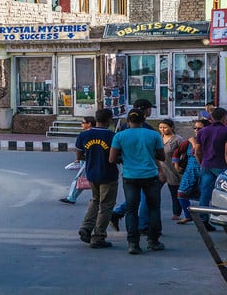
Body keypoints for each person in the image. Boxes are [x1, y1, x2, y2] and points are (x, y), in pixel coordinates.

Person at [109, 108, 165, 254]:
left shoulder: (119, 136)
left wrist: (125, 159)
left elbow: (112, 159)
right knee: (153, 208)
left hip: (130, 176)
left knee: (131, 210)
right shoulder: (153, 135)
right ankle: (153, 241)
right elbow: (161, 156)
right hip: (151, 176)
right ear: (143, 120)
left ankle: (133, 244)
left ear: (128, 122)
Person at [111, 99, 156, 232]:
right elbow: (158, 153)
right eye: (149, 108)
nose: (150, 111)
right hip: (146, 168)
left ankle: (118, 213)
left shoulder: (124, 128)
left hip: (129, 169)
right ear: (145, 110)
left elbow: (114, 155)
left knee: (135, 198)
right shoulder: (148, 130)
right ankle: (143, 225)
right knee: (145, 198)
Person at [76, 109, 119, 249]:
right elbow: (115, 157)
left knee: (95, 200)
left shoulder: (84, 135)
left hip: (92, 173)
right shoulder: (113, 136)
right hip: (108, 174)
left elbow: (79, 155)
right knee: (106, 205)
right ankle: (99, 236)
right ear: (109, 120)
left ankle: (86, 227)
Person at [195, 107, 227, 231]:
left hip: (206, 165)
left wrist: (201, 162)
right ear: (223, 117)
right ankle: (226, 218)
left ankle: (203, 220)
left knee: (205, 194)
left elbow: (197, 151)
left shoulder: (202, 131)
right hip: (221, 165)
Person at [173, 119, 210, 225]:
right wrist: (176, 164)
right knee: (181, 193)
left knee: (205, 196)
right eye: (195, 128)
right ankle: (188, 215)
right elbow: (176, 152)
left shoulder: (209, 141)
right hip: (190, 171)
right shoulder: (189, 141)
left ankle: (205, 219)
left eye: (200, 128)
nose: (197, 130)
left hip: (205, 171)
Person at [60, 116, 96, 204]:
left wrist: (78, 158)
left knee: (79, 179)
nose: (81, 124)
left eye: (83, 122)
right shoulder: (99, 134)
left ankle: (71, 198)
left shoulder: (83, 135)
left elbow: (78, 150)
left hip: (87, 159)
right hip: (95, 159)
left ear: (89, 124)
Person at [157, 119, 183, 221]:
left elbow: (183, 155)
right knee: (153, 191)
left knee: (174, 192)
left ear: (172, 127)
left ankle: (176, 213)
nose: (162, 130)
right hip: (159, 170)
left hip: (173, 170)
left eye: (165, 127)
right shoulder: (158, 138)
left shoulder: (178, 140)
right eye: (160, 128)